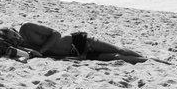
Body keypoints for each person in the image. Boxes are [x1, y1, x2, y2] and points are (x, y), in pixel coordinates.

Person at [13, 22, 147, 63]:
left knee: (119, 50)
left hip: (79, 42)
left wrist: (40, 51)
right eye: (12, 39)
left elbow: (56, 34)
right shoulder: (23, 46)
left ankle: (148, 59)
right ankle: (143, 61)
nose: (15, 38)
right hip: (77, 55)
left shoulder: (26, 28)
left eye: (13, 35)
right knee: (117, 57)